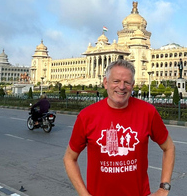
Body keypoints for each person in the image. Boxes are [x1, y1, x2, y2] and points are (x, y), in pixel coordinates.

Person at [63, 60, 175, 196]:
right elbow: (69, 158)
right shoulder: (87, 116)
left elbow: (169, 147)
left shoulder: (147, 112)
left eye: (127, 82)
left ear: (132, 85)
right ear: (106, 83)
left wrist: (164, 188)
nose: (121, 87)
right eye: (116, 81)